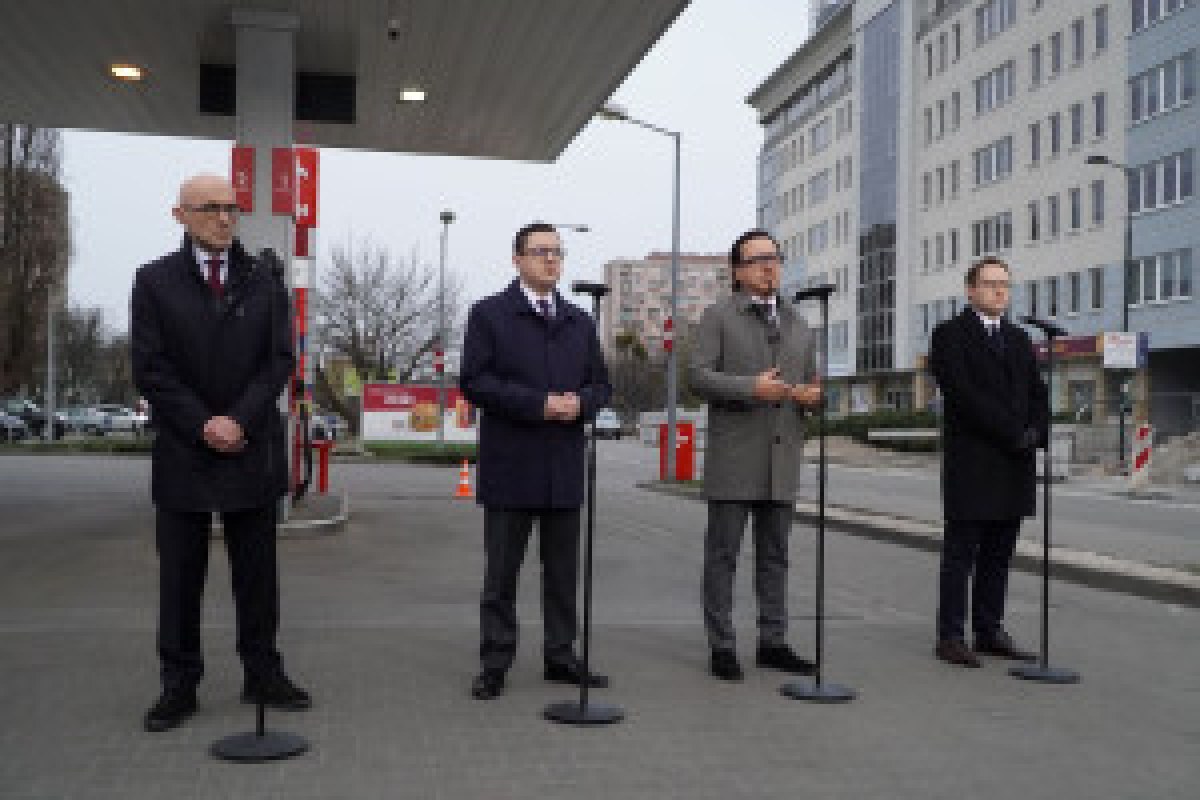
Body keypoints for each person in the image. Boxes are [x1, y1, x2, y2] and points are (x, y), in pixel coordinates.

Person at [131, 174, 311, 732]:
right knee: (180, 580)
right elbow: (151, 368)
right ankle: (178, 685)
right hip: (186, 451)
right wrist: (202, 421)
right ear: (179, 214)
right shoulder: (155, 281)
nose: (224, 218)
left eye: (231, 208)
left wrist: (238, 418)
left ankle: (263, 673)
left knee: (257, 578)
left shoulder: (263, 279)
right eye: (209, 208)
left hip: (249, 447)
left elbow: (278, 361)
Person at [459, 222, 612, 700]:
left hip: (563, 466)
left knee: (563, 574)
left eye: (558, 252)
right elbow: (476, 382)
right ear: (517, 259)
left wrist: (582, 404)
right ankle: (495, 662)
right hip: (511, 466)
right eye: (541, 252)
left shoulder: (579, 321)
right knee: (501, 575)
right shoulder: (489, 315)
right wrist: (539, 404)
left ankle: (561, 657)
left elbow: (601, 385)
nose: (552, 260)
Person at [689, 229, 822, 681]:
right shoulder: (718, 317)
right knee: (723, 555)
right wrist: (750, 387)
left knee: (775, 556)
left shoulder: (800, 324)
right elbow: (699, 377)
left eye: (775, 258)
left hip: (782, 459)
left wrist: (811, 396)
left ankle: (773, 641)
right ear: (738, 270)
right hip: (735, 457)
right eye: (759, 259)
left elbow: (812, 385)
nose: (770, 267)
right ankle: (721, 645)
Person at [929, 256, 1047, 668]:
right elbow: (963, 395)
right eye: (991, 283)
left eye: (1006, 285)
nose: (1000, 291)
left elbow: (1037, 392)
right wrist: (1012, 432)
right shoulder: (949, 336)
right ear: (970, 290)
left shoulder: (1019, 340)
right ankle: (950, 635)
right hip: (974, 461)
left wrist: (1037, 432)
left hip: (1014, 463)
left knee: (999, 553)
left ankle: (989, 629)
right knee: (961, 554)